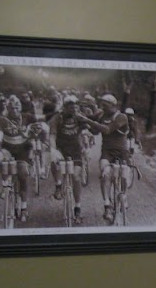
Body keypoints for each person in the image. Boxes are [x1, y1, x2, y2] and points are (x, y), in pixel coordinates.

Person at [0, 95, 48, 221]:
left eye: (17, 106)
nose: (14, 109)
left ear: (21, 107)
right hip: (7, 148)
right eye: (11, 107)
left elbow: (44, 126)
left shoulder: (28, 117)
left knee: (22, 174)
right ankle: (5, 185)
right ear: (7, 108)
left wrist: (44, 141)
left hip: (23, 149)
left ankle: (23, 207)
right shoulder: (2, 120)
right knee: (3, 161)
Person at [76, 93, 130, 223]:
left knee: (124, 174)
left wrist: (88, 120)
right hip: (107, 151)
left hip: (122, 151)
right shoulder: (102, 116)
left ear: (113, 105)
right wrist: (84, 125)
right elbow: (96, 131)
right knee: (105, 173)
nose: (103, 107)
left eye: (105, 105)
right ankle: (107, 205)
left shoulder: (121, 117)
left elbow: (106, 130)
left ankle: (124, 195)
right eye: (102, 105)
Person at [48, 95, 85, 224]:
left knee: (76, 177)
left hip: (75, 150)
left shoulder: (79, 117)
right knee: (53, 161)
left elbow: (87, 129)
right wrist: (53, 150)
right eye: (70, 107)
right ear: (64, 107)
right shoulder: (57, 118)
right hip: (61, 148)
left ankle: (78, 208)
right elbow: (52, 135)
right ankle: (58, 185)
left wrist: (87, 136)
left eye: (75, 107)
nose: (73, 109)